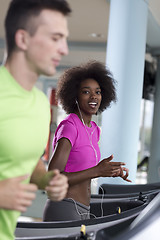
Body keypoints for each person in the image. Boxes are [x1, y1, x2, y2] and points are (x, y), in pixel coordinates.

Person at [0, 0, 71, 239]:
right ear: (22, 39)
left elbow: (26, 161)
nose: (64, 49)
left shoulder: (41, 104)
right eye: (55, 38)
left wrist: (46, 179)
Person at [43, 61, 131, 222]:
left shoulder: (94, 130)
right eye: (86, 92)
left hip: (84, 209)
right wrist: (98, 170)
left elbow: (84, 168)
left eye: (97, 92)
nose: (94, 97)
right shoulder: (70, 126)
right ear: (74, 96)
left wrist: (109, 170)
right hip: (64, 207)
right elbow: (53, 177)